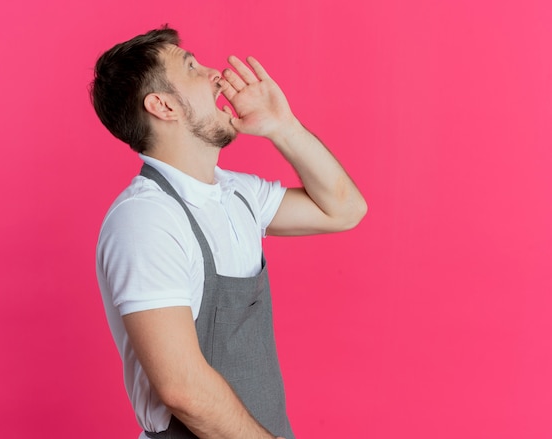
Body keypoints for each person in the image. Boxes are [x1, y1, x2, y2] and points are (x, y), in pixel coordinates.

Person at [91, 26, 367, 439]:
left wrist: (282, 126)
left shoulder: (238, 195)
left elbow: (344, 209)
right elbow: (182, 388)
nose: (215, 74)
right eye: (192, 68)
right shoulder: (146, 219)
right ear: (163, 105)